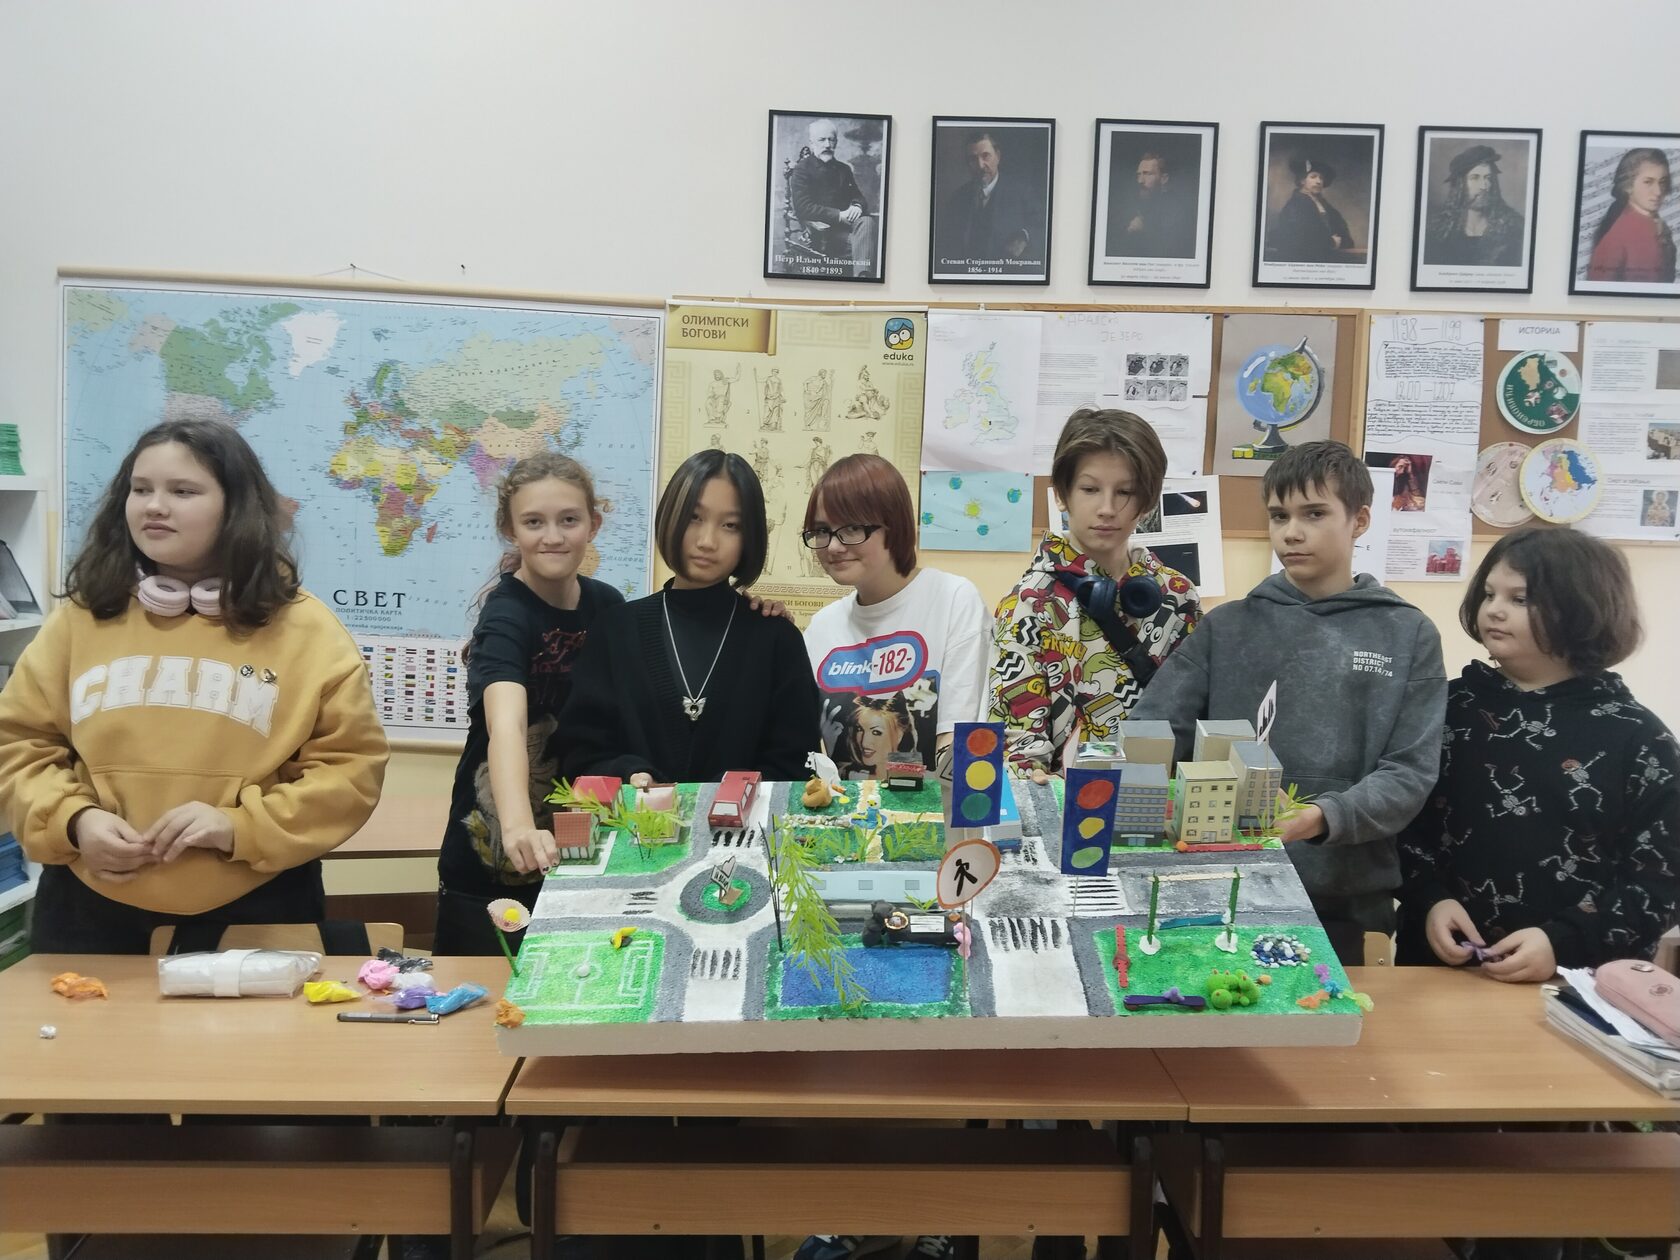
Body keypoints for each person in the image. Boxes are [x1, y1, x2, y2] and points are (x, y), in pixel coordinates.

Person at [0, 419, 389, 953]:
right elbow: (19, 745)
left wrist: (240, 827)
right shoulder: (80, 620)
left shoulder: (308, 630)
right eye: (141, 489)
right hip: (88, 905)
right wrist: (73, 820)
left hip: (260, 903)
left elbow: (350, 771)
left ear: (236, 508)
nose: (154, 506)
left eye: (182, 491)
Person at [1131, 441, 1447, 965]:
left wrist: (1323, 816)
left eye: (1314, 514)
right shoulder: (1228, 626)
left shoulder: (1407, 633)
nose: (1291, 532)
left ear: (1360, 520)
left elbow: (1410, 773)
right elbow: (1154, 731)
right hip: (1219, 884)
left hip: (1344, 896)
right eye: (1279, 516)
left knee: (1332, 1014)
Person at [1397, 527, 1679, 980]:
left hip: (1574, 985)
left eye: (1520, 599)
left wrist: (1562, 941)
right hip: (1440, 968)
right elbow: (1401, 821)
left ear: (1582, 609)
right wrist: (1430, 898)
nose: (1494, 609)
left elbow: (1661, 880)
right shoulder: (1445, 708)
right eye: (1489, 594)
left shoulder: (1639, 738)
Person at [432, 454, 624, 956]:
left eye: (569, 520)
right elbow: (508, 726)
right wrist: (518, 825)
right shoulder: (506, 615)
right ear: (510, 529)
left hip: (585, 853)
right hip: (492, 865)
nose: (553, 537)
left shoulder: (608, 606)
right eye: (534, 522)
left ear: (593, 524)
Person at [561, 450, 819, 786]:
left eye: (730, 525)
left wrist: (722, 799)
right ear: (671, 516)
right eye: (695, 517)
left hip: (747, 823)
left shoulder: (776, 639)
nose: (707, 541)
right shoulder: (615, 630)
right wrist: (630, 773)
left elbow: (798, 766)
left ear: (750, 536)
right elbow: (579, 754)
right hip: (633, 820)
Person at [990, 409, 1201, 778]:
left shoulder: (1178, 595)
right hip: (1065, 797)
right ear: (1062, 495)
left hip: (1157, 798)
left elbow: (1195, 721)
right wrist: (1032, 779)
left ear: (1147, 502)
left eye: (1125, 492)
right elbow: (1018, 740)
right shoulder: (1028, 603)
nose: (1106, 509)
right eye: (1089, 489)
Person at [802, 454, 991, 783]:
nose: (832, 546)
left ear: (894, 525)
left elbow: (959, 745)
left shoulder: (954, 599)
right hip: (849, 813)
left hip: (939, 812)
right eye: (821, 531)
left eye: (852, 528)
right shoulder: (822, 627)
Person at [934, 129, 1046, 269]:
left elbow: (1042, 227)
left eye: (985, 156)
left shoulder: (1021, 192)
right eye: (973, 159)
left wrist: (1024, 237)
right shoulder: (958, 199)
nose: (980, 165)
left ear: (997, 156)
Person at [786, 117, 878, 278]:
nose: (827, 145)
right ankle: (864, 279)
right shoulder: (802, 170)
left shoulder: (843, 169)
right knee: (870, 246)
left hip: (848, 227)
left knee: (868, 222)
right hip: (822, 232)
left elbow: (858, 196)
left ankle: (862, 278)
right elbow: (803, 207)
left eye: (831, 140)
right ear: (812, 143)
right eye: (822, 140)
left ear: (836, 142)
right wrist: (839, 215)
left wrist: (856, 206)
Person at [1423, 143, 1526, 268]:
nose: (1484, 186)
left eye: (1488, 178)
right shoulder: (1437, 231)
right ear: (1460, 185)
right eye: (1475, 178)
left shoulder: (1515, 228)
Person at [1587, 147, 1677, 284]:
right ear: (1628, 186)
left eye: (1662, 182)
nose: (1658, 191)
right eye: (1648, 182)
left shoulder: (1660, 226)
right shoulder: (1617, 235)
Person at [1105, 149, 1195, 258]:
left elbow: (1173, 251)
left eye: (1147, 174)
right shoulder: (1137, 204)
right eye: (1139, 175)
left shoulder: (1176, 210)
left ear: (1164, 179)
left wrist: (1143, 231)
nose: (1140, 181)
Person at [1268, 155, 1354, 263]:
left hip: (1327, 256)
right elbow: (1300, 238)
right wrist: (1330, 242)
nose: (1319, 181)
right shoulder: (1295, 205)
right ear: (1302, 181)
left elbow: (1343, 232)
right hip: (1303, 259)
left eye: (1321, 178)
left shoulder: (1325, 206)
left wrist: (1341, 241)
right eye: (1313, 177)